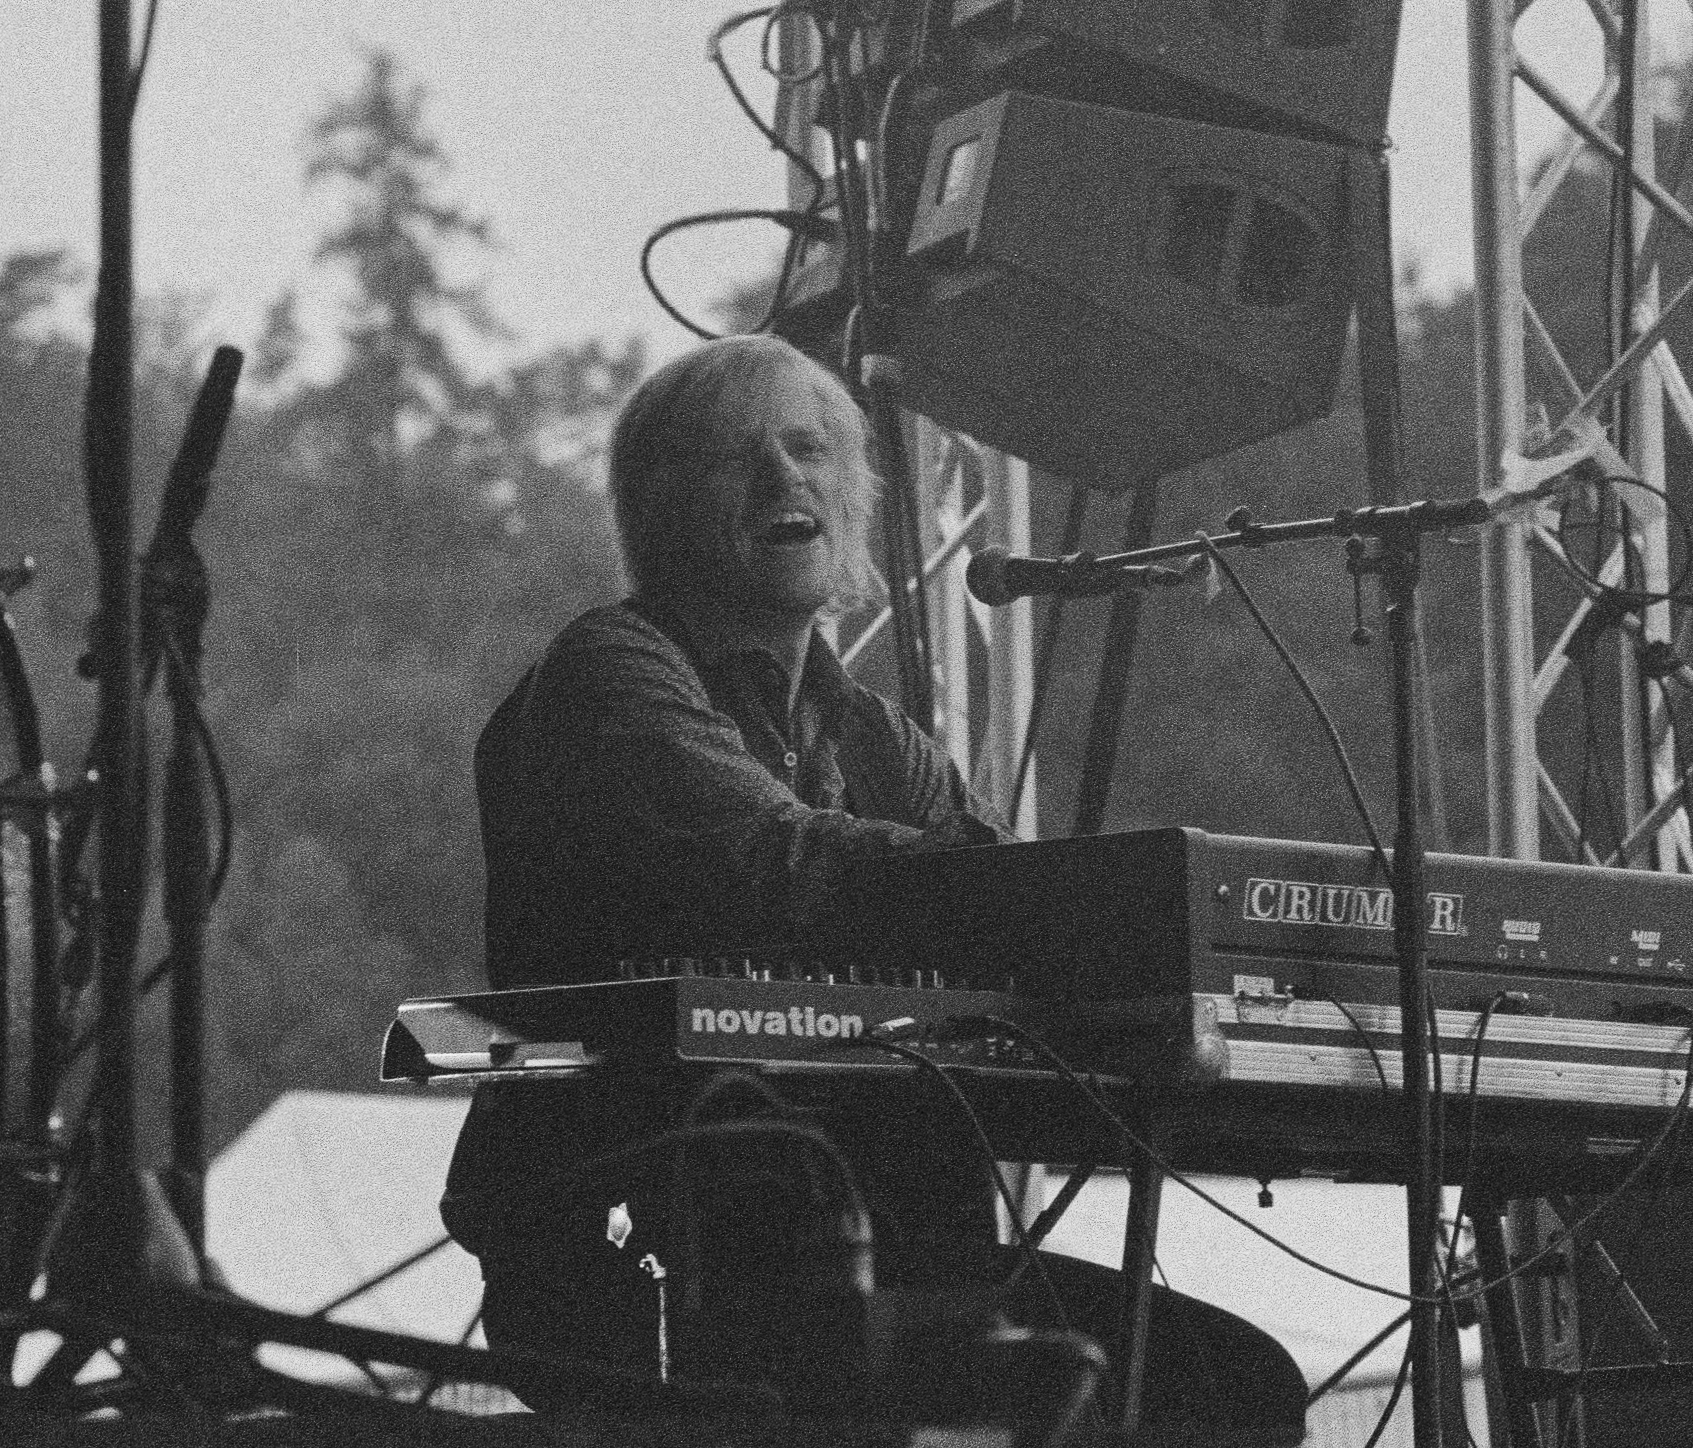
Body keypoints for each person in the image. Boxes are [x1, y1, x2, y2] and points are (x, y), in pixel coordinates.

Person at [439, 335, 1306, 1436]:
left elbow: (996, 899)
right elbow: (775, 863)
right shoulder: (608, 668)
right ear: (656, 509)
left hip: (886, 1258)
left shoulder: (870, 734)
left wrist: (1138, 959)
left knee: (1226, 1386)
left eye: (809, 450)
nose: (782, 479)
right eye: (732, 456)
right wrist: (1101, 910)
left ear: (851, 494)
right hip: (643, 1269)